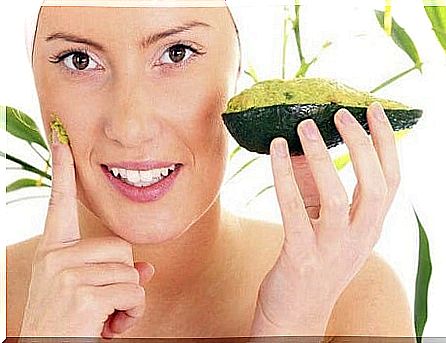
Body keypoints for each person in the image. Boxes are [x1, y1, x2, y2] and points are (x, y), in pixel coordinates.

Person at [6, 0, 414, 338]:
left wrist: (292, 325)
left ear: (237, 70)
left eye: (176, 53)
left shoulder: (354, 298)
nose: (131, 128)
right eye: (79, 60)